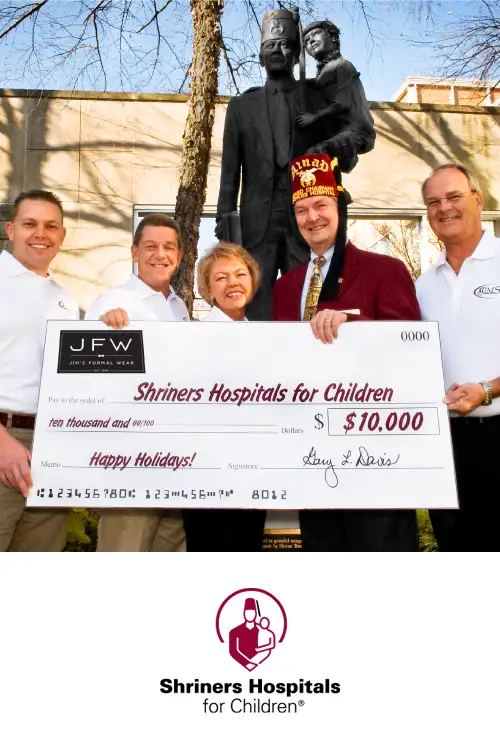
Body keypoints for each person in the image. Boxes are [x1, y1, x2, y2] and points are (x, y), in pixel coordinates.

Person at [273, 153, 421, 552]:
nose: (312, 217)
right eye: (301, 209)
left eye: (320, 205)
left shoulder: (385, 270)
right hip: (312, 454)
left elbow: (411, 354)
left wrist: (356, 330)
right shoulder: (285, 287)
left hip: (374, 455)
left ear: (339, 207)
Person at [84, 213, 188, 552]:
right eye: (151, 246)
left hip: (177, 457)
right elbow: (88, 377)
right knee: (124, 555)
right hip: (130, 459)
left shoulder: (180, 307)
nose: (161, 254)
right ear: (134, 252)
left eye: (169, 247)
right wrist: (98, 330)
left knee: (168, 556)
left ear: (180, 256)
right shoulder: (111, 304)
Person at [416, 163, 500, 552]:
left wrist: (487, 389)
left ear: (478, 200)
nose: (443, 208)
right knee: (459, 553)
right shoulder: (423, 284)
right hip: (445, 446)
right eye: (433, 202)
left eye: (454, 196)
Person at [216, 8, 310, 321]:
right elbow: (230, 170)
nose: (278, 52)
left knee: (306, 301)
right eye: (270, 47)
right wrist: (225, 219)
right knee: (257, 304)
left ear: (297, 53)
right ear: (260, 57)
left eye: (285, 45)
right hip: (258, 222)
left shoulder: (317, 102)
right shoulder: (242, 106)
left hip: (304, 221)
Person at [0, 190, 79, 551]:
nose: (41, 233)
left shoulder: (65, 300)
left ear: (62, 236)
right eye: (30, 224)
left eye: (51, 226)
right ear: (10, 229)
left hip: (52, 449)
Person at [181, 242, 267, 551]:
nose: (233, 283)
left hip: (254, 474)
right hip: (207, 477)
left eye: (240, 274)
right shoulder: (192, 340)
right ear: (208, 289)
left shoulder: (267, 339)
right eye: (221, 277)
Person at [299, 20, 375, 173]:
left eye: (315, 34)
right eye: (306, 41)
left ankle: (325, 194)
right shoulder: (324, 71)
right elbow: (312, 84)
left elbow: (342, 103)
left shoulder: (343, 66)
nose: (311, 40)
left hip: (356, 132)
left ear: (332, 36)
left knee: (314, 154)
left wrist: (313, 117)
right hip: (336, 132)